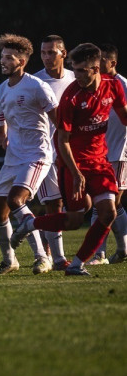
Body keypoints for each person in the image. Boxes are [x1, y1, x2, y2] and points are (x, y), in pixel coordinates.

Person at [10, 43, 127, 275]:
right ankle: (30, 224)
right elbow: (62, 140)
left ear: (96, 68)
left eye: (82, 70)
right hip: (72, 163)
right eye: (75, 69)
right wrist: (76, 173)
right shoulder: (71, 97)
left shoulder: (113, 87)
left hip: (100, 162)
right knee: (75, 219)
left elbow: (124, 117)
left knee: (108, 212)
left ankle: (76, 264)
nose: (78, 75)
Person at [0, 34, 56, 276]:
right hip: (13, 157)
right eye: (2, 57)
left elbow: (60, 123)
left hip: (37, 155)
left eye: (9, 57)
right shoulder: (1, 91)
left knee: (16, 200)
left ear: (21, 61)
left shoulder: (37, 87)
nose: (3, 61)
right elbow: (0, 130)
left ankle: (43, 258)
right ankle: (10, 260)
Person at [33, 34, 76, 270]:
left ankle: (42, 233)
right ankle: (58, 259)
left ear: (63, 53)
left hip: (74, 150)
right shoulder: (34, 82)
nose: (47, 57)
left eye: (51, 52)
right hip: (46, 151)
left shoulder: (74, 78)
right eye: (43, 53)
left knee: (83, 204)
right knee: (54, 203)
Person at [89, 43, 127, 264]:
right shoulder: (96, 85)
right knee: (105, 203)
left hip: (119, 153)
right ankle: (118, 250)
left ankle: (101, 253)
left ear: (112, 63)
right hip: (99, 154)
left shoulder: (122, 85)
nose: (97, 63)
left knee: (109, 204)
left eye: (101, 59)